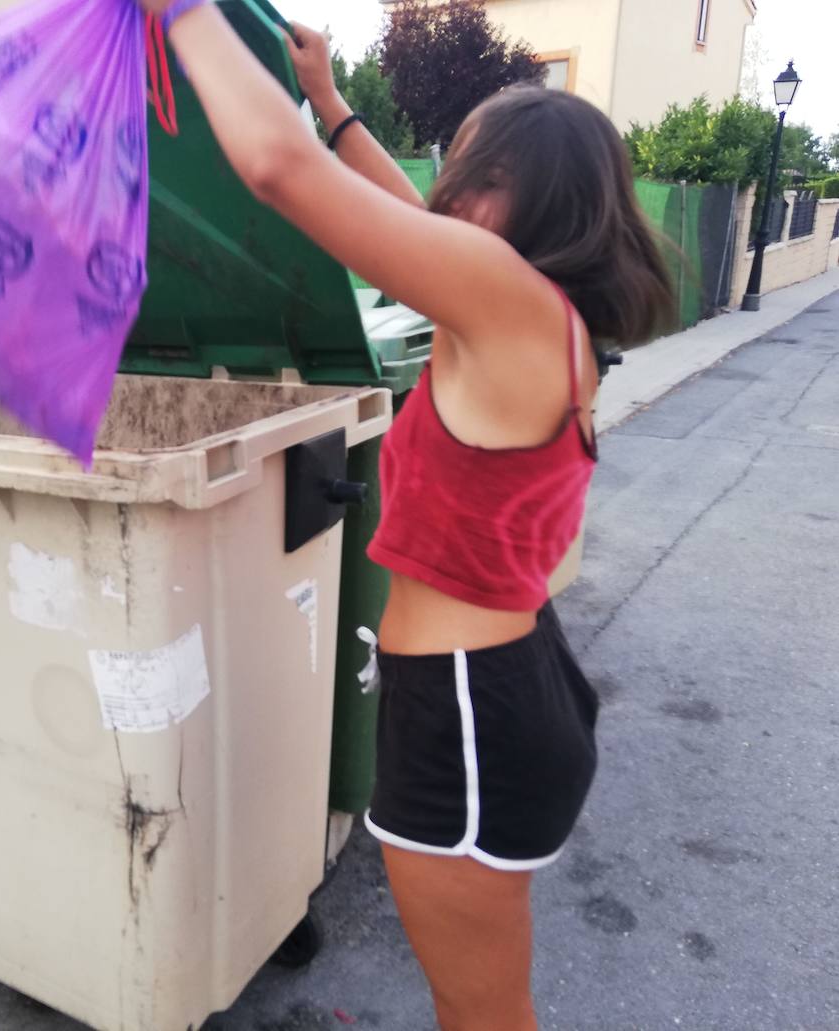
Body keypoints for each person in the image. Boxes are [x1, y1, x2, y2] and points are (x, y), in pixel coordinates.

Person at [138, 3, 676, 1029]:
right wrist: (332, 102)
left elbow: (277, 173)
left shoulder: (511, 306)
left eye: (475, 177)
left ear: (529, 198)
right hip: (495, 688)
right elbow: (413, 232)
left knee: (481, 1010)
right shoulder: (537, 315)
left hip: (472, 710)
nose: (451, 196)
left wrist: (184, 14)